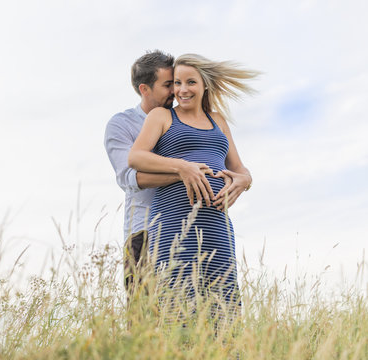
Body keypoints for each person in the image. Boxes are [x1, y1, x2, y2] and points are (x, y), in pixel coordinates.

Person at [128, 53, 257, 316]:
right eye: (176, 83)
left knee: (224, 313)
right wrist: (182, 166)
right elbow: (136, 157)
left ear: (204, 85)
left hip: (218, 227)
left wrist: (243, 181)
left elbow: (239, 169)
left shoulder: (217, 120)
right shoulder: (162, 117)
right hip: (174, 225)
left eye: (190, 82)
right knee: (178, 313)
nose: (182, 90)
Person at [104, 50, 233, 296]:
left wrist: (241, 177)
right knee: (146, 317)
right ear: (145, 89)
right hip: (145, 230)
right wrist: (184, 170)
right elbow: (130, 178)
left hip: (193, 224)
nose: (176, 91)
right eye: (169, 84)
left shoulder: (187, 119)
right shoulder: (122, 124)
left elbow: (224, 163)